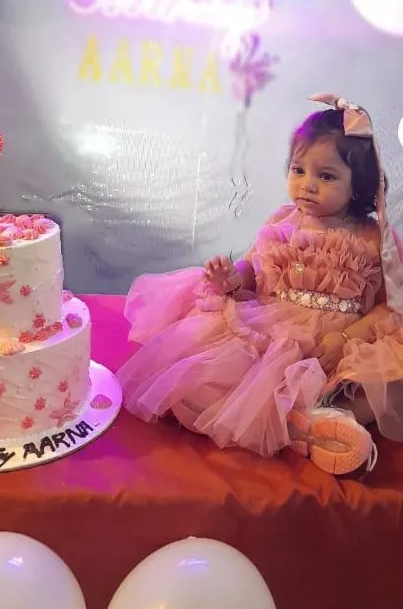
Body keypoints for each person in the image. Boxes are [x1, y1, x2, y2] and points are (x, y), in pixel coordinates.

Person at [117, 94, 403, 475]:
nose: (308, 185)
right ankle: (300, 422)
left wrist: (348, 339)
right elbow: (255, 266)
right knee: (206, 377)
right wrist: (233, 278)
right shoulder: (283, 221)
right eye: (298, 170)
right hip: (277, 329)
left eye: (327, 176)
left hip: (343, 340)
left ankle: (323, 416)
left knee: (384, 378)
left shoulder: (375, 237)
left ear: (358, 185)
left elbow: (391, 304)